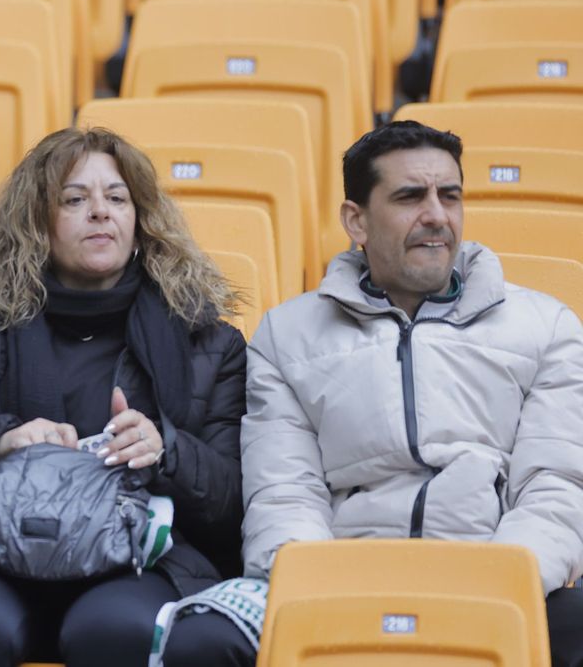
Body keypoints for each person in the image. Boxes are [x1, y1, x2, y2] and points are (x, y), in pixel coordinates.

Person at [0, 127, 248, 667]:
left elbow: (235, 499)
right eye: (75, 199)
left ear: (140, 220)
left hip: (135, 560)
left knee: (116, 629)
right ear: (37, 221)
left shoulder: (205, 339)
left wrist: (167, 450)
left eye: (116, 198)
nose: (100, 212)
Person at [214, 120, 583, 667]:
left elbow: (556, 487)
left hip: (498, 572)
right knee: (204, 640)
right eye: (411, 196)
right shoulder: (286, 337)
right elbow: (284, 495)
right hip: (343, 578)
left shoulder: (546, 326)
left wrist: (499, 583)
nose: (437, 215)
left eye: (450, 196)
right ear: (355, 220)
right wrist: (319, 591)